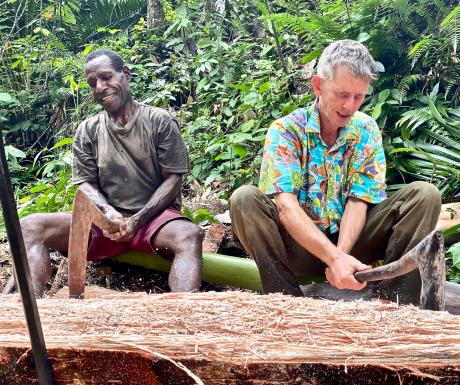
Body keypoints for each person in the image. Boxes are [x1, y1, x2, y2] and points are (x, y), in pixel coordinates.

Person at [229, 40, 441, 304]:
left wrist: (340, 258)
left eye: (359, 97)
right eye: (342, 94)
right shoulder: (286, 130)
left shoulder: (365, 129)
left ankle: (393, 305)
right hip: (301, 248)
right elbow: (285, 206)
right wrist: (333, 258)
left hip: (353, 245)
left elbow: (358, 200)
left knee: (425, 194)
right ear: (318, 85)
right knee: (244, 198)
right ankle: (285, 305)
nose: (350, 106)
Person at [3, 49, 203, 297]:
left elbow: (173, 178)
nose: (100, 87)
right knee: (29, 227)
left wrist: (137, 219)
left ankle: (185, 316)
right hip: (103, 224)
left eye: (107, 77)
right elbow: (86, 184)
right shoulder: (88, 129)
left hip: (153, 219)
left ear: (125, 74)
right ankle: (25, 313)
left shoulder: (158, 120)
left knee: (189, 235)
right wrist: (108, 213)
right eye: (92, 83)